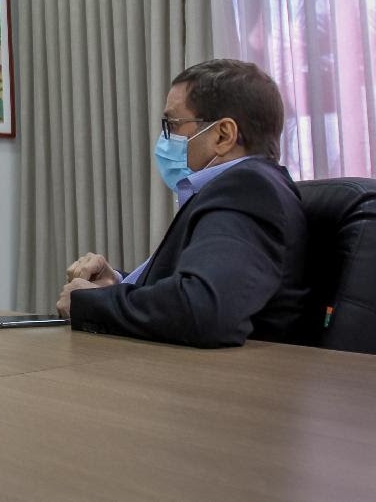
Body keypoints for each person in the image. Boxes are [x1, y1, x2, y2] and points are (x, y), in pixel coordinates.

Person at [56, 59, 309, 348]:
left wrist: (91, 302)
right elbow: (187, 290)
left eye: (172, 125)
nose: (165, 138)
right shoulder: (242, 187)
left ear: (223, 135)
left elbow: (201, 309)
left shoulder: (248, 190)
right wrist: (116, 283)